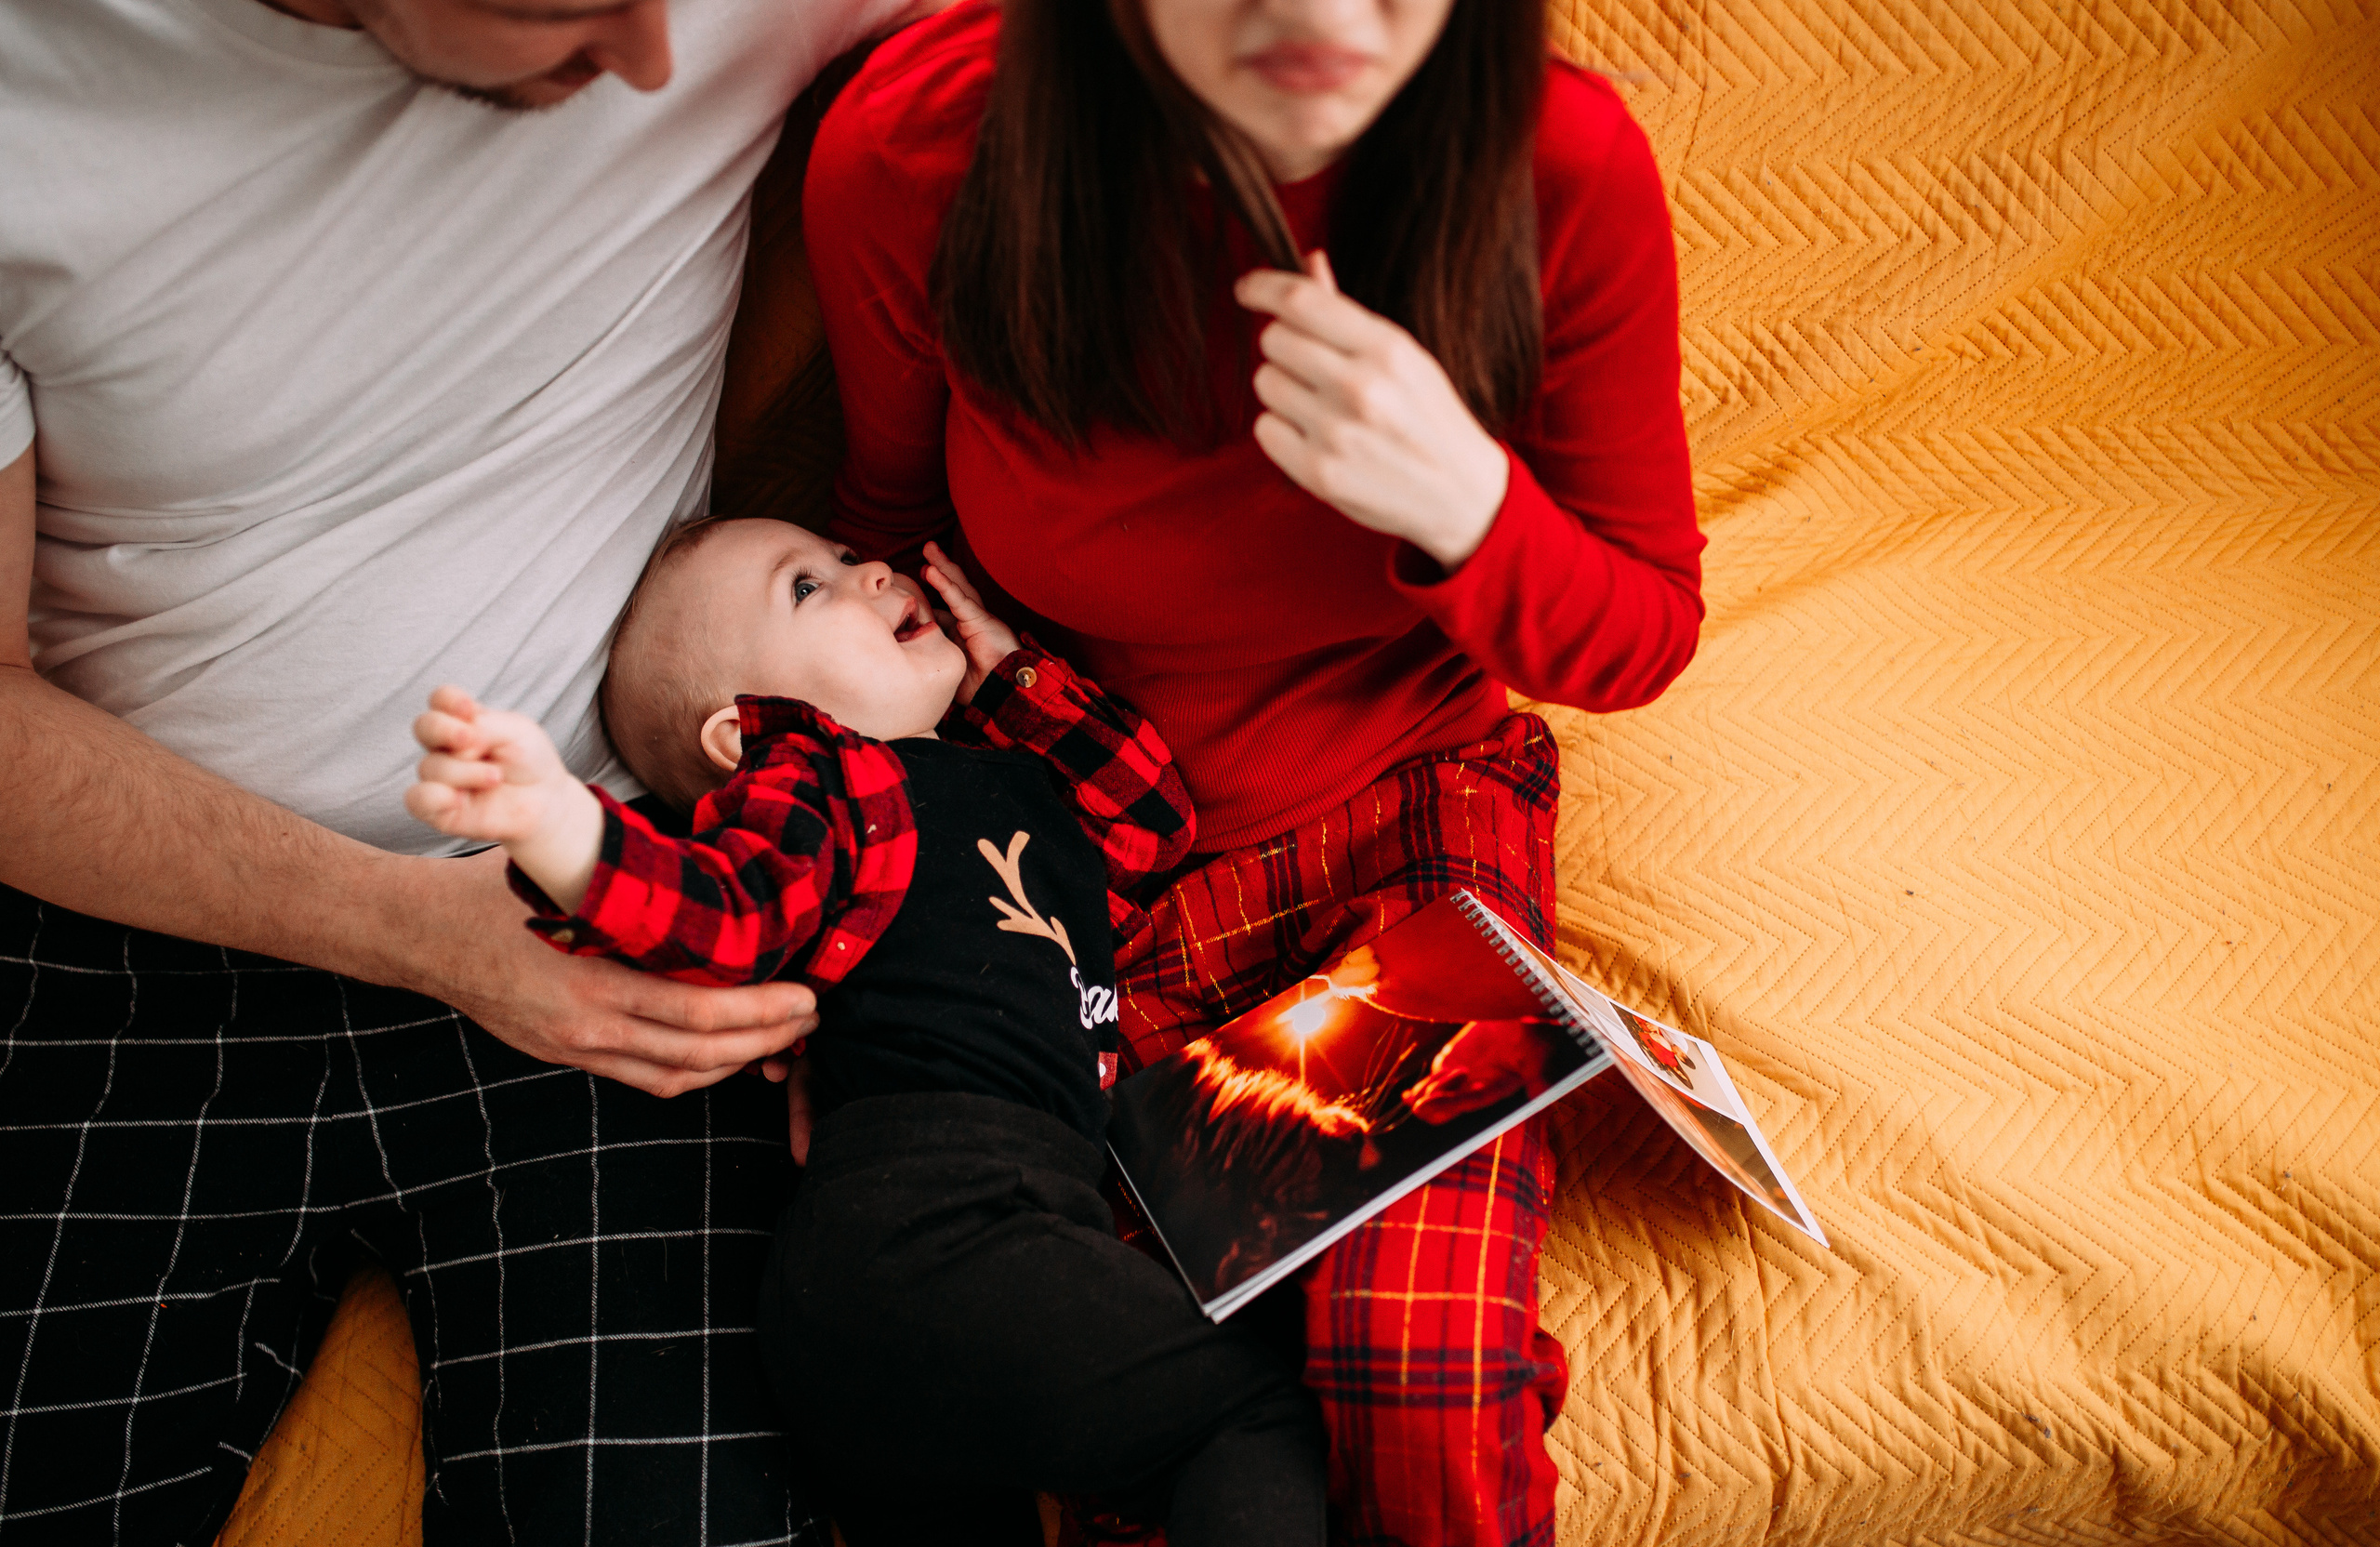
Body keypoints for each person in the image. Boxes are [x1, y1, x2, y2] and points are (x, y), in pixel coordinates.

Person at [0, 0, 926, 1540]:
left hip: (627, 894)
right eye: (563, 9)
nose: (656, 59)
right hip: (130, 920)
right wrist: (418, 930)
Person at [800, 0, 1706, 1538]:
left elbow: (1644, 630)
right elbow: (884, 554)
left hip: (1406, 820)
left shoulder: (1556, 167)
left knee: (1422, 1381)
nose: (1324, 20)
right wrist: (846, 940)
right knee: (1146, 1434)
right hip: (1081, 868)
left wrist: (1469, 506)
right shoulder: (919, 153)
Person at [404, 520, 1327, 1547]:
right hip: (938, 1221)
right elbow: (722, 916)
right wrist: (569, 837)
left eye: (845, 557)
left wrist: (1011, 678)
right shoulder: (833, 783)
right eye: (806, 588)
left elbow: (1150, 824)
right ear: (744, 738)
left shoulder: (1009, 783)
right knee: (1247, 1416)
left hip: (917, 1283)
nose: (871, 569)